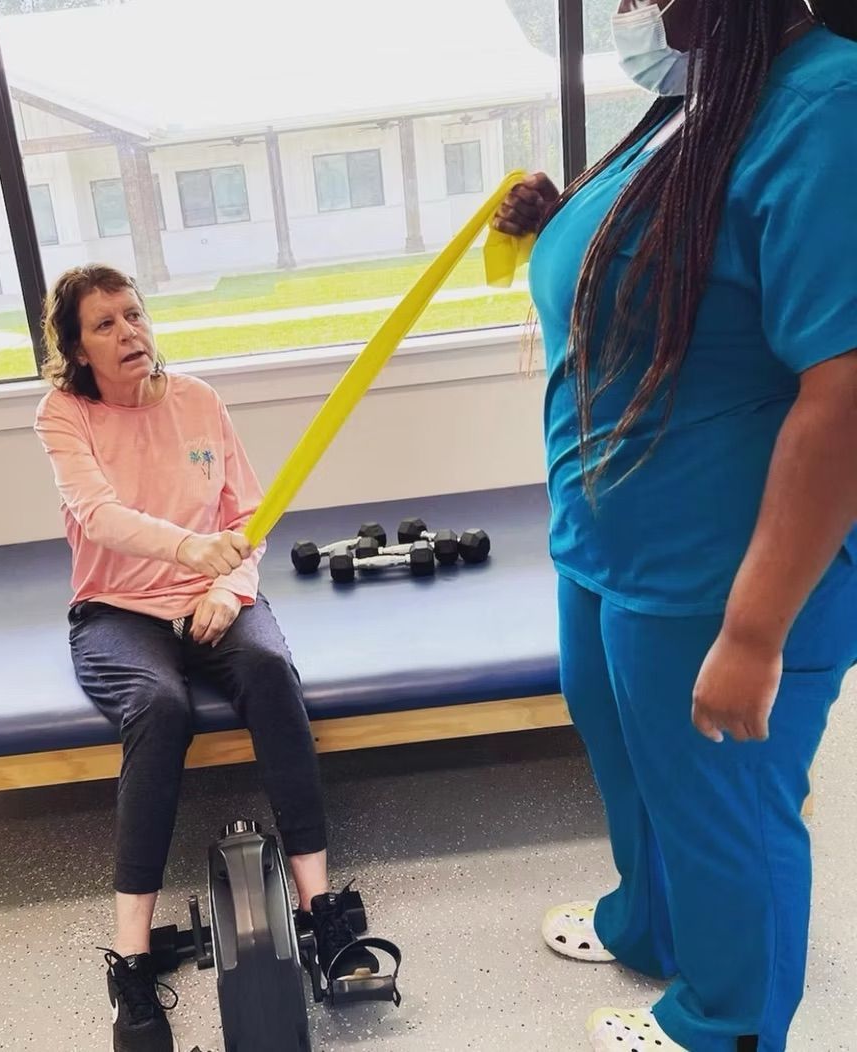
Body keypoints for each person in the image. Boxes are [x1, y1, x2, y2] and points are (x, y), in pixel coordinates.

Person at [493, 2, 857, 1050]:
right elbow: (685, 257)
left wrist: (752, 632)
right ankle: (646, 924)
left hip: (723, 565)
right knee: (633, 758)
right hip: (616, 541)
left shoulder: (830, 106)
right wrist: (564, 216)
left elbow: (846, 391)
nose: (624, 11)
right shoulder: (693, 98)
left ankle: (726, 1023)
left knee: (724, 807)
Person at [34, 264, 377, 1052]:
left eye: (134, 315)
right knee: (158, 707)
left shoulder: (200, 400)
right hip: (117, 610)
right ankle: (131, 956)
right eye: (105, 325)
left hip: (215, 595)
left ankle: (322, 911)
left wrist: (231, 584)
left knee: (269, 673)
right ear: (77, 348)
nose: (128, 334)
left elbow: (250, 516)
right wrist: (198, 550)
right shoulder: (63, 415)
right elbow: (100, 515)